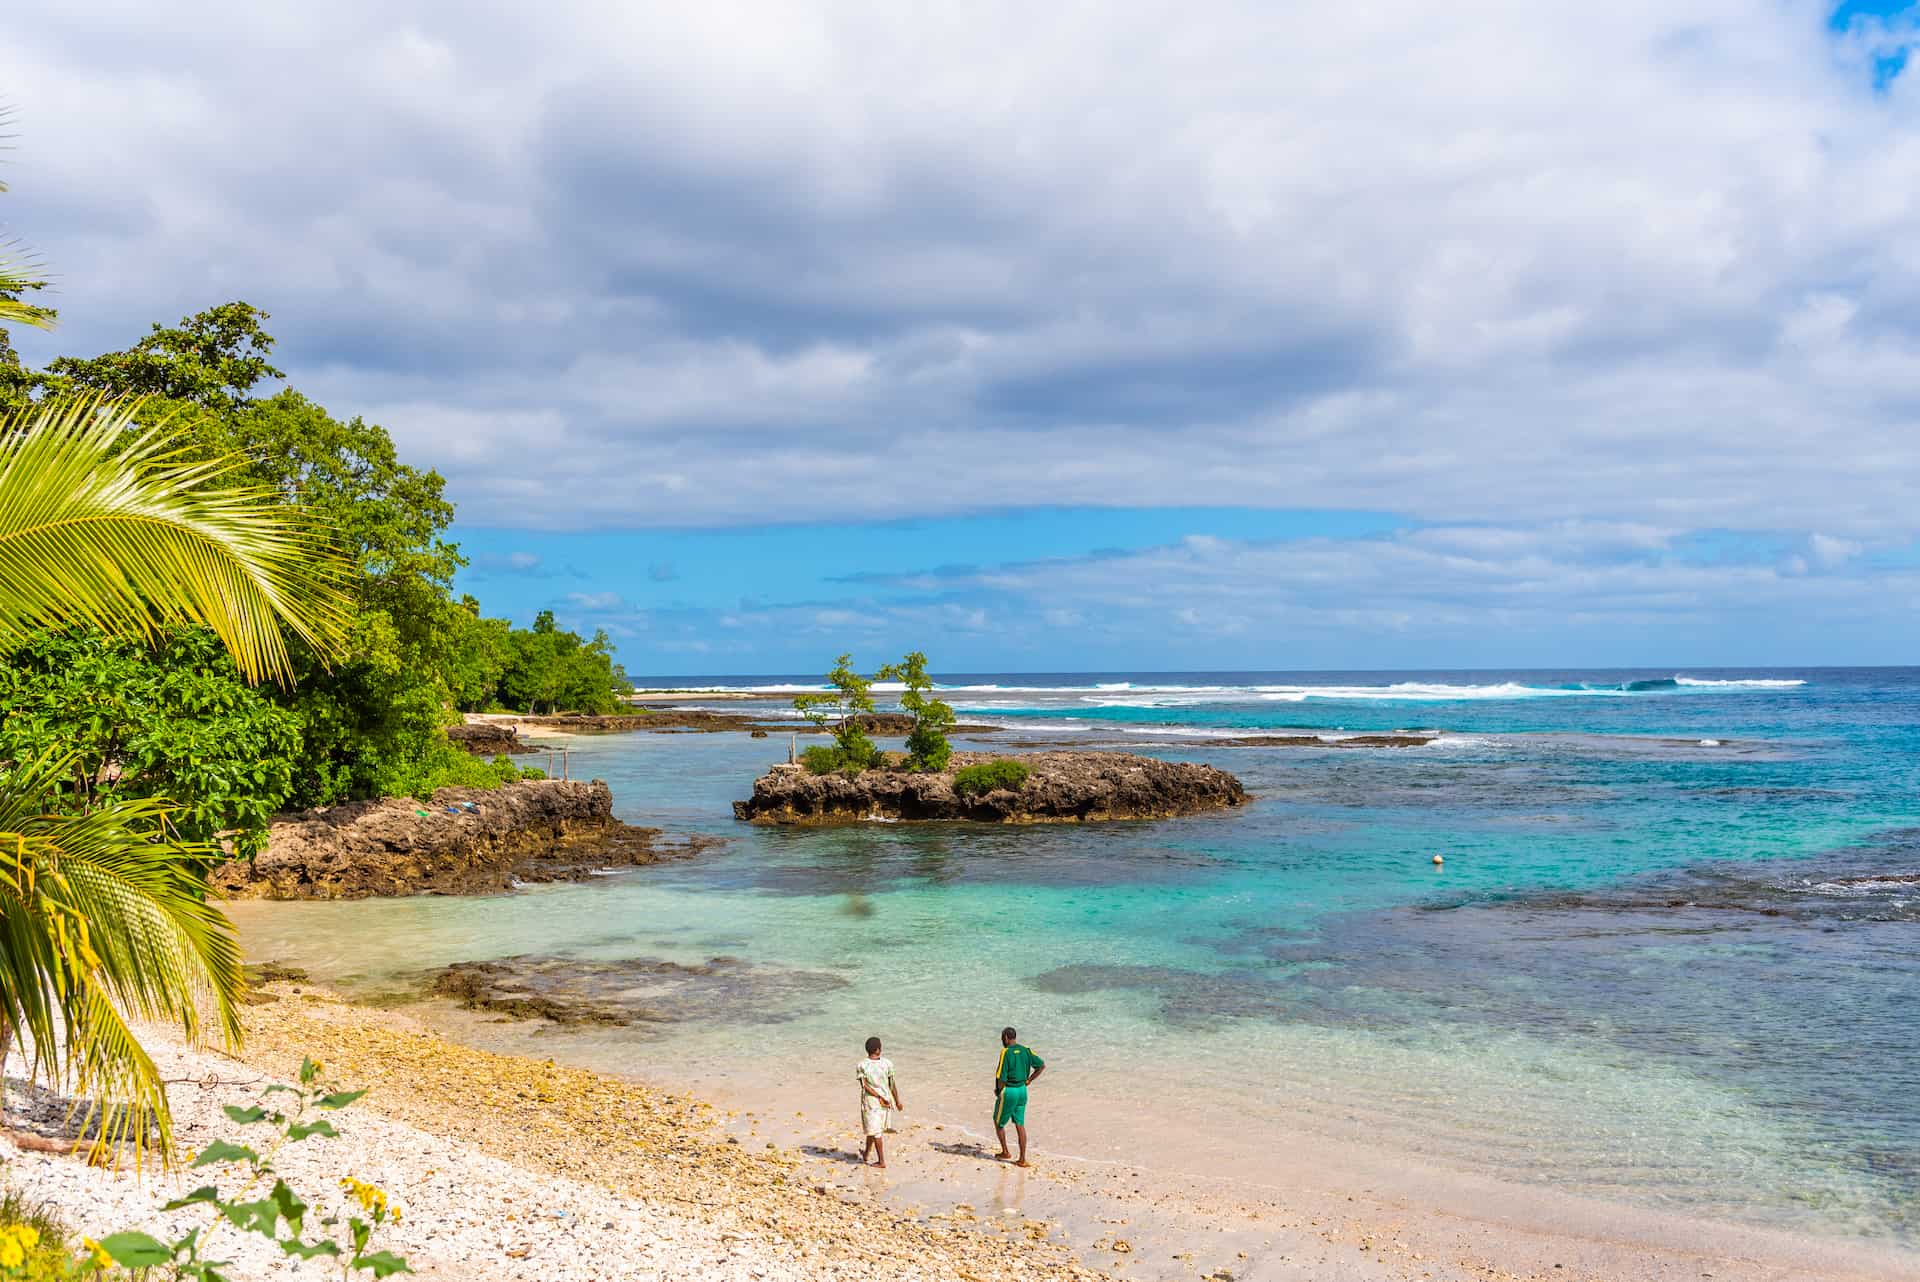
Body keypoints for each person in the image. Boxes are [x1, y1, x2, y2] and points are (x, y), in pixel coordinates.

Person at [991, 1025, 1044, 1167]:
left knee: (998, 1122)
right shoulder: (1026, 1050)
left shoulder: (1005, 1052)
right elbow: (1041, 1066)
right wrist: (1029, 1080)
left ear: (1006, 1038)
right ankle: (1022, 1159)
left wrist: (998, 1091)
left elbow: (1001, 1076)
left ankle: (1005, 1152)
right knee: (1020, 1124)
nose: (1002, 1040)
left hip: (1010, 1090)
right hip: (1022, 1091)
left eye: (1003, 1038)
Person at [856, 1036, 904, 1167]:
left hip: (871, 1102)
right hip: (885, 1101)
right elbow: (892, 1085)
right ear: (878, 1049)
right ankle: (866, 1154)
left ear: (867, 1050)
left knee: (875, 1130)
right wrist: (897, 1101)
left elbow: (864, 1086)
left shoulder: (861, 1065)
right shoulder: (887, 1063)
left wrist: (878, 1097)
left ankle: (881, 1161)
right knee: (874, 1129)